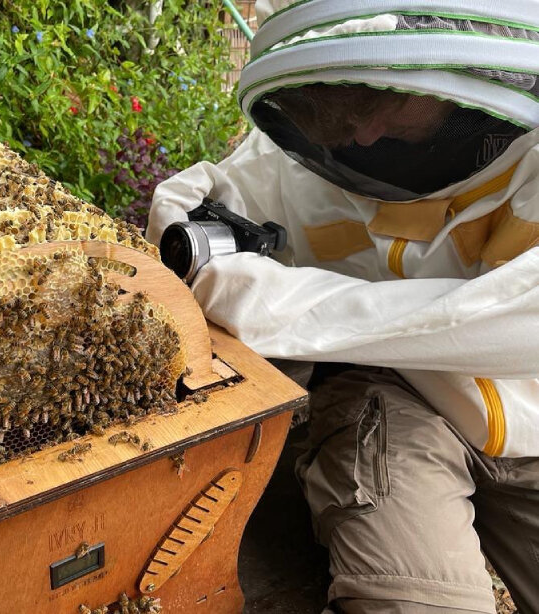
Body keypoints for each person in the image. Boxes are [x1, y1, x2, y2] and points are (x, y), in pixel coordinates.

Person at [146, 2, 539, 612]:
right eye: (339, 106)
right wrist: (197, 245)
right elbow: (197, 196)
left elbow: (516, 321)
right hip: (397, 400)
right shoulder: (317, 145)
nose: (361, 135)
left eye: (379, 101)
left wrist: (272, 303)